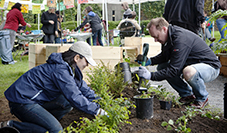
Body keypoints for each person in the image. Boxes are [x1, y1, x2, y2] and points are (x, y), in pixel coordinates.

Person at [0, 41, 108, 132]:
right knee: (55, 131)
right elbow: (75, 96)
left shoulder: (69, 68)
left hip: (34, 100)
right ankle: (11, 125)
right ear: (76, 57)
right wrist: (97, 111)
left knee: (66, 104)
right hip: (22, 101)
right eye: (86, 61)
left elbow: (81, 87)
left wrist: (100, 102)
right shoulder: (60, 70)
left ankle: (45, 122)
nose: (87, 65)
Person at [136, 17, 221, 109]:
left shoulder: (180, 39)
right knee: (162, 67)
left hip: (210, 67)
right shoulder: (169, 37)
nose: (155, 40)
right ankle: (187, 95)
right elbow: (165, 56)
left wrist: (150, 75)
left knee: (188, 72)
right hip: (194, 65)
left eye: (156, 37)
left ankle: (202, 98)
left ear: (164, 29)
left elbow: (174, 70)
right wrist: (150, 61)